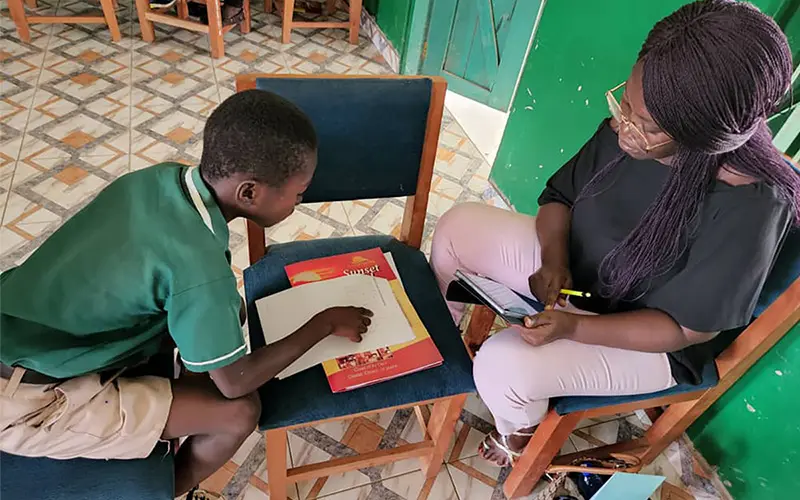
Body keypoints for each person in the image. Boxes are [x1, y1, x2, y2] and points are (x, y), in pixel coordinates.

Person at [430, 0, 799, 467]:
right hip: (579, 279)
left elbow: (683, 329)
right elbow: (560, 198)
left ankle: (516, 431)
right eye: (624, 103)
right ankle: (437, 346)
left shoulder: (751, 208)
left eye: (645, 127)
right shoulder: (636, 124)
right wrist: (552, 258)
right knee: (458, 226)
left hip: (650, 339)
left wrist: (577, 326)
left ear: (703, 135)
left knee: (502, 366)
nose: (624, 129)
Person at [0, 90, 373, 499]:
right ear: (249, 193)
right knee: (239, 412)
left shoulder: (157, 180)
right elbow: (235, 383)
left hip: (26, 331)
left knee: (228, 321)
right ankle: (168, 489)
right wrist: (323, 323)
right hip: (25, 400)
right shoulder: (199, 270)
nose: (301, 201)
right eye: (298, 193)